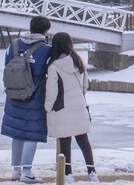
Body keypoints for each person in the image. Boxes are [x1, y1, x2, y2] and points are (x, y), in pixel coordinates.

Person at [3, 15, 52, 182]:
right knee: (32, 134)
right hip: (35, 96)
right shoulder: (46, 49)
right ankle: (27, 171)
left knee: (17, 133)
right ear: (46, 31)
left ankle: (15, 170)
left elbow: (7, 64)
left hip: (13, 94)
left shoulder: (14, 44)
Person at [45, 32, 98, 183]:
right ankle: (92, 172)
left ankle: (67, 174)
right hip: (79, 105)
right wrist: (78, 97)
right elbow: (85, 85)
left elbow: (52, 92)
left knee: (65, 141)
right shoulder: (78, 61)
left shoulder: (54, 66)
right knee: (83, 140)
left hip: (62, 108)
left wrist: (47, 108)